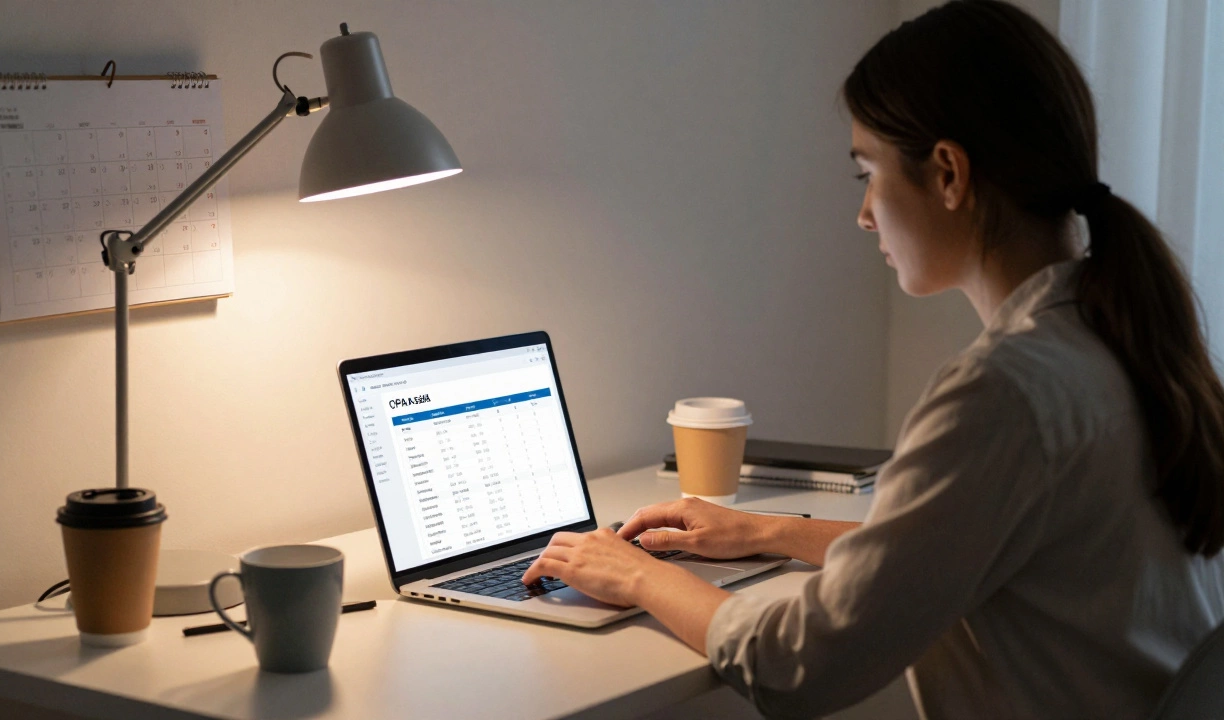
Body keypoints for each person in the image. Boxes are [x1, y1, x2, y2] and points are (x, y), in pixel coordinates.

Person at [521, 1, 1224, 717]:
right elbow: (950, 550)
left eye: (868, 174)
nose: (864, 216)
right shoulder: (1120, 339)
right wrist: (770, 532)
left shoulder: (1002, 395)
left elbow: (799, 666)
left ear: (948, 173)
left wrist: (636, 576)